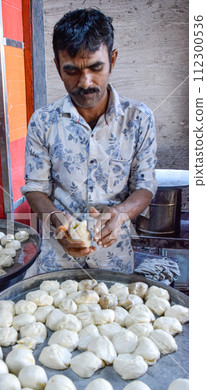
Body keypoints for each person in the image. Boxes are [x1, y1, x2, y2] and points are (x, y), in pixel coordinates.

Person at [21, 8, 157, 275]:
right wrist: (58, 224)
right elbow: (36, 188)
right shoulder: (43, 121)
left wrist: (120, 214)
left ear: (113, 60)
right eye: (71, 71)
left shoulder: (139, 118)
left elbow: (145, 185)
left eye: (96, 68)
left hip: (114, 261)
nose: (85, 83)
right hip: (57, 262)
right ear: (58, 67)